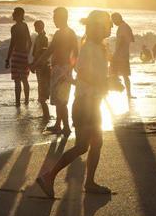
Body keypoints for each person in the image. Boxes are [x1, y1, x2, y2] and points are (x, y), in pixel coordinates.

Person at [36, 10, 112, 198]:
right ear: (96, 27)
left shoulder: (99, 47)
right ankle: (49, 176)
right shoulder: (89, 48)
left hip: (92, 102)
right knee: (82, 146)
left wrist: (107, 82)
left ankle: (89, 182)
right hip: (85, 103)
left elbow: (94, 74)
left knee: (95, 143)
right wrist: (106, 83)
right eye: (106, 24)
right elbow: (83, 72)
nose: (109, 27)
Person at [32, 6, 79, 135]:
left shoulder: (61, 33)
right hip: (64, 69)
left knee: (61, 101)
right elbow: (76, 52)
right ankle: (59, 124)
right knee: (60, 101)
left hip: (61, 69)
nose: (53, 20)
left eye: (55, 17)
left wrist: (36, 63)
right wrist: (72, 67)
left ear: (62, 18)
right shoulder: (71, 32)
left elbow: (49, 50)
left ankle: (66, 127)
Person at [5, 6, 31, 107]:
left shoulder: (14, 28)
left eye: (15, 13)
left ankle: (18, 102)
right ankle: (26, 101)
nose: (13, 14)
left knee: (17, 81)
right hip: (22, 55)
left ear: (20, 15)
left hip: (16, 56)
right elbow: (30, 42)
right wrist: (27, 53)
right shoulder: (24, 26)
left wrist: (8, 59)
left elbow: (12, 44)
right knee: (24, 79)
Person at [110, 11, 135, 97]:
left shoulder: (122, 27)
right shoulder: (127, 26)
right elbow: (132, 39)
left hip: (120, 55)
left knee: (113, 73)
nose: (113, 22)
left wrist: (115, 53)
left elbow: (121, 41)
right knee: (124, 75)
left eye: (113, 20)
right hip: (125, 54)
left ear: (118, 18)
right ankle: (128, 94)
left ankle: (109, 93)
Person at [31, 20, 51, 121]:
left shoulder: (43, 38)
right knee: (41, 86)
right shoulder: (39, 37)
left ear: (41, 27)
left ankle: (46, 114)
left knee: (42, 87)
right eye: (35, 26)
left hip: (41, 65)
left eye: (37, 26)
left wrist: (35, 63)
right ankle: (45, 113)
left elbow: (41, 52)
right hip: (40, 64)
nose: (35, 28)